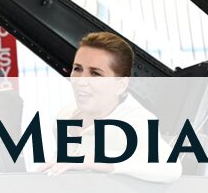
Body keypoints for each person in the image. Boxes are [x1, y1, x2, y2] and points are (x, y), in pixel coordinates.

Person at [39, 32, 181, 183]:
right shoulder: (66, 115)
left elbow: (171, 167)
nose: (81, 81)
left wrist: (93, 159)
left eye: (95, 73)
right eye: (78, 69)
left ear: (120, 85)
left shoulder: (136, 121)